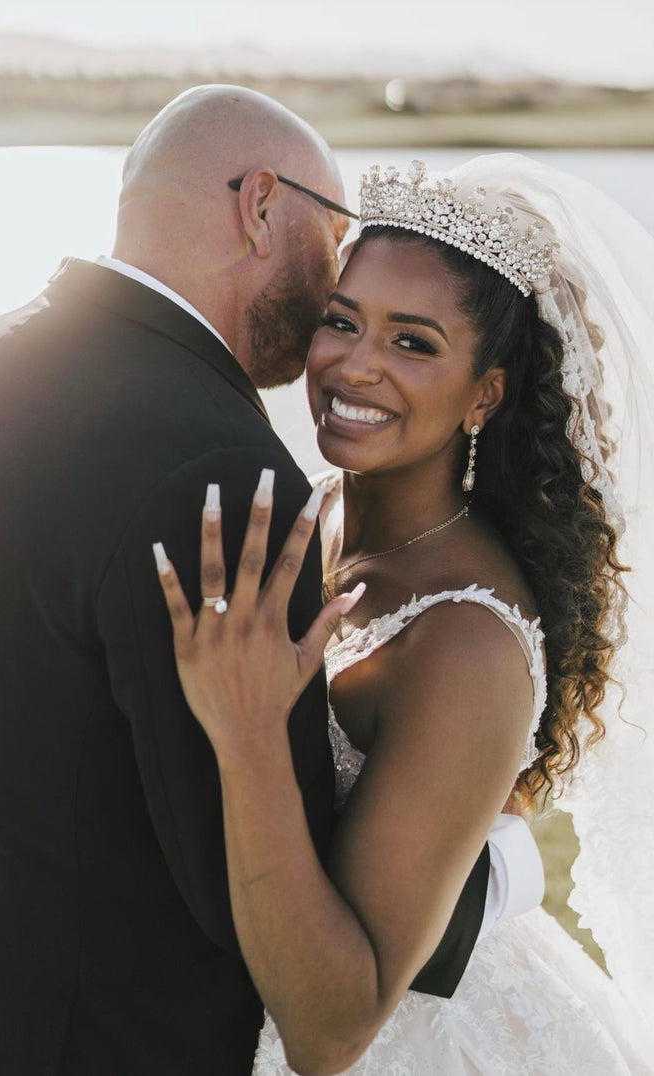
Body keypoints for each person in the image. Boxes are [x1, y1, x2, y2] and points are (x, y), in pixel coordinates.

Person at [0, 89, 533, 1076]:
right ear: (261, 205)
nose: (338, 285)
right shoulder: (224, 477)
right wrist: (487, 879)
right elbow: (247, 882)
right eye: (332, 238)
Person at [155, 154, 654, 1074]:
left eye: (413, 343)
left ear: (487, 394)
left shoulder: (466, 641)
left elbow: (333, 1032)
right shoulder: (321, 508)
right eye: (341, 321)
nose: (356, 364)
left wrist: (250, 729)